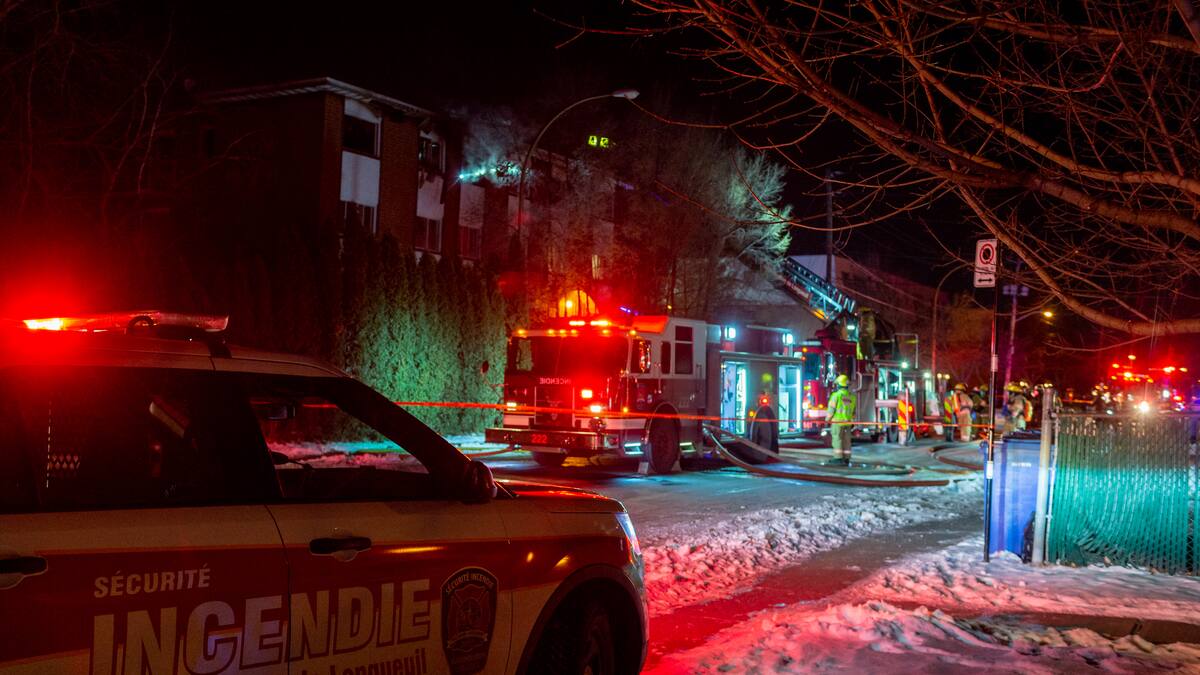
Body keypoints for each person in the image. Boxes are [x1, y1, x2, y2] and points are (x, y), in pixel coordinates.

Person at [827, 373, 857, 464]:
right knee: (847, 440)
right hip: (848, 423)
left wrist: (827, 420)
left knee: (837, 439)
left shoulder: (836, 396)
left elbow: (831, 410)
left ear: (839, 385)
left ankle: (838, 458)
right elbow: (854, 412)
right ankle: (846, 458)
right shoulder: (852, 397)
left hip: (837, 423)